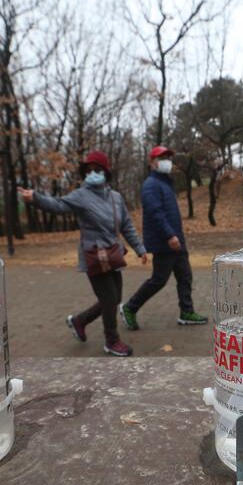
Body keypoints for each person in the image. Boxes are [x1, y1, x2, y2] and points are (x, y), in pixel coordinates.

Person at [18, 150, 147, 357]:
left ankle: (79, 321)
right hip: (94, 257)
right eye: (88, 170)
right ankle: (111, 341)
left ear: (105, 172)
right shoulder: (81, 195)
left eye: (97, 170)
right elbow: (58, 205)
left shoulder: (116, 197)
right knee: (108, 300)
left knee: (114, 300)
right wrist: (36, 198)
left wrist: (140, 249)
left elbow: (126, 225)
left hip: (113, 255)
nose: (92, 173)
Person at [119, 146, 207, 329]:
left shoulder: (165, 183)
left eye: (169, 157)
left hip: (176, 241)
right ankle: (129, 307)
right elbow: (155, 213)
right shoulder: (151, 185)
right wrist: (169, 236)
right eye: (162, 157)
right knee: (159, 280)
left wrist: (177, 237)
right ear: (152, 163)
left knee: (185, 276)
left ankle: (187, 311)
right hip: (165, 242)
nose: (167, 161)